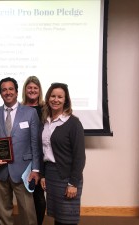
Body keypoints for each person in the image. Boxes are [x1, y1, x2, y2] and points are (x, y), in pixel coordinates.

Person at [0, 77, 40, 225]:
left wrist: (35, 168)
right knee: (3, 212)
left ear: (16, 92)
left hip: (24, 171)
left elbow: (35, 142)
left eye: (11, 89)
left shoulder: (30, 113)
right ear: (0, 93)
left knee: (28, 213)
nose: (7, 92)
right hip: (1, 168)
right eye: (4, 90)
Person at [40, 83, 86, 225]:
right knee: (58, 217)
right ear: (48, 98)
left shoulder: (73, 123)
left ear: (65, 100)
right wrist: (43, 175)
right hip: (51, 174)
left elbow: (79, 156)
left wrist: (73, 183)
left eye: (60, 97)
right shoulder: (45, 122)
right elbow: (44, 151)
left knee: (67, 219)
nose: (56, 99)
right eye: (53, 96)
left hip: (67, 176)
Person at [22, 76, 46, 225]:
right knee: (25, 194)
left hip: (41, 157)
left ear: (39, 91)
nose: (32, 90)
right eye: (29, 87)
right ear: (25, 90)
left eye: (35, 88)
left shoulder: (46, 108)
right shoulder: (19, 108)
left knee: (39, 196)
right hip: (23, 158)